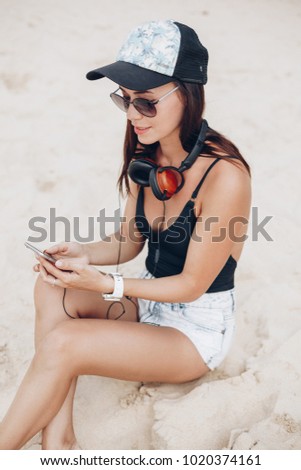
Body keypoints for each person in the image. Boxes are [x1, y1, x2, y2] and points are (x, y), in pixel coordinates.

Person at [0, 19, 251, 450]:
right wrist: (80, 254)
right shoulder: (146, 153)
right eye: (126, 100)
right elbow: (129, 240)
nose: (134, 115)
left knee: (64, 344)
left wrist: (107, 285)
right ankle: (58, 438)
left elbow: (192, 286)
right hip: (150, 304)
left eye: (147, 103)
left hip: (192, 335)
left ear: (186, 94)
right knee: (50, 287)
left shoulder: (225, 176)